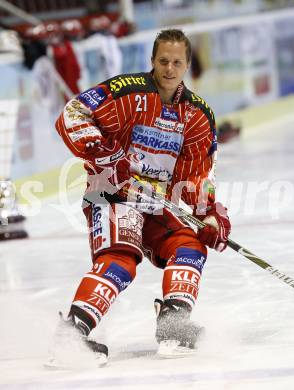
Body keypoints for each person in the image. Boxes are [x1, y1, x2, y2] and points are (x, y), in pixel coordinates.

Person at [53, 29, 231, 365]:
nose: (169, 68)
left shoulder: (197, 114)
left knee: (190, 243)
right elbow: (72, 114)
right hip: (112, 195)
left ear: (187, 65)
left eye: (177, 62)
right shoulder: (126, 92)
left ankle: (174, 323)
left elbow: (199, 173)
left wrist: (208, 214)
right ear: (152, 61)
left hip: (155, 202)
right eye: (163, 60)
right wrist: (106, 156)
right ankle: (72, 335)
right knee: (121, 259)